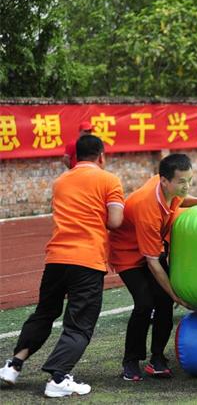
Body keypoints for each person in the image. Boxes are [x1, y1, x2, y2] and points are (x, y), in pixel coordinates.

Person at [0, 135, 124, 397]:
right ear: (101, 156)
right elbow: (115, 221)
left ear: (75, 156)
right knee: (80, 323)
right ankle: (58, 378)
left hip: (56, 259)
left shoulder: (61, 181)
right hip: (87, 260)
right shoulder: (109, 180)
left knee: (45, 312)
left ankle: (13, 365)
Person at [108, 154, 197, 381]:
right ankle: (130, 360)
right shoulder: (148, 207)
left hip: (151, 246)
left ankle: (157, 358)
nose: (187, 186)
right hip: (128, 254)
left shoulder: (168, 187)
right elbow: (153, 263)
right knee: (145, 303)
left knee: (163, 302)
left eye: (189, 180)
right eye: (182, 181)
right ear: (164, 180)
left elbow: (181, 198)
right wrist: (176, 295)